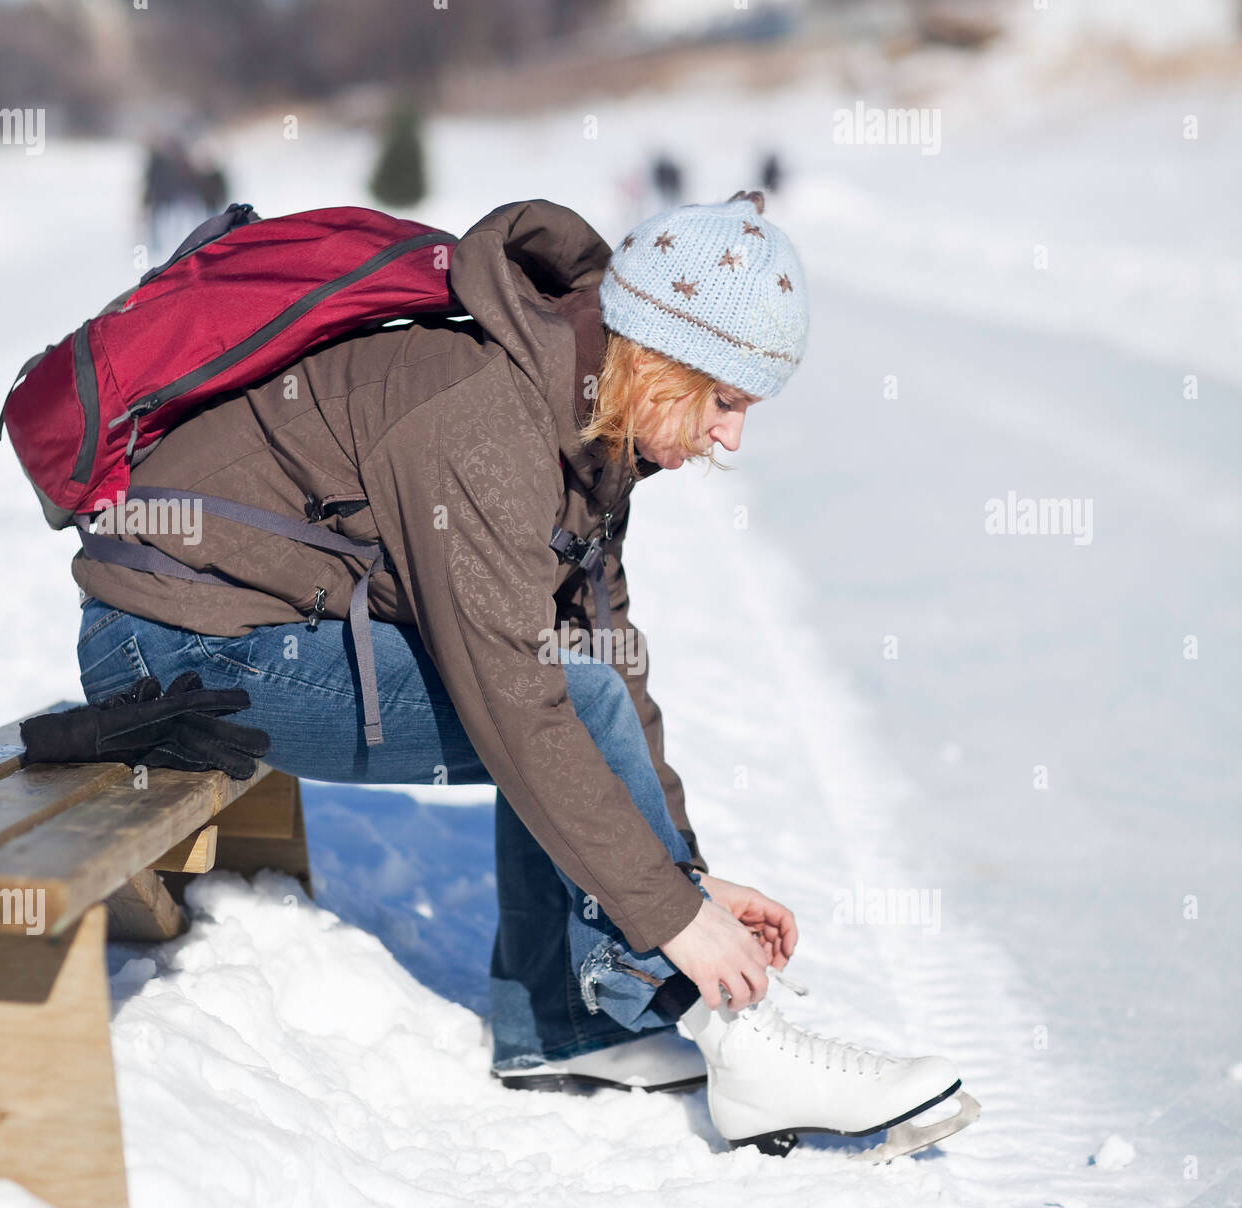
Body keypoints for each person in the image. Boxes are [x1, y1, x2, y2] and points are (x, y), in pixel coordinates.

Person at [72, 189, 977, 1158]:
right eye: (726, 400)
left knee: (582, 686)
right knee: (556, 699)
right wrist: (674, 919)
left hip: (255, 629)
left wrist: (688, 875)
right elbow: (523, 701)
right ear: (662, 355)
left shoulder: (594, 430)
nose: (732, 438)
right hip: (173, 648)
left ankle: (568, 1017)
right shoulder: (488, 422)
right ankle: (730, 1036)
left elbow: (608, 654)